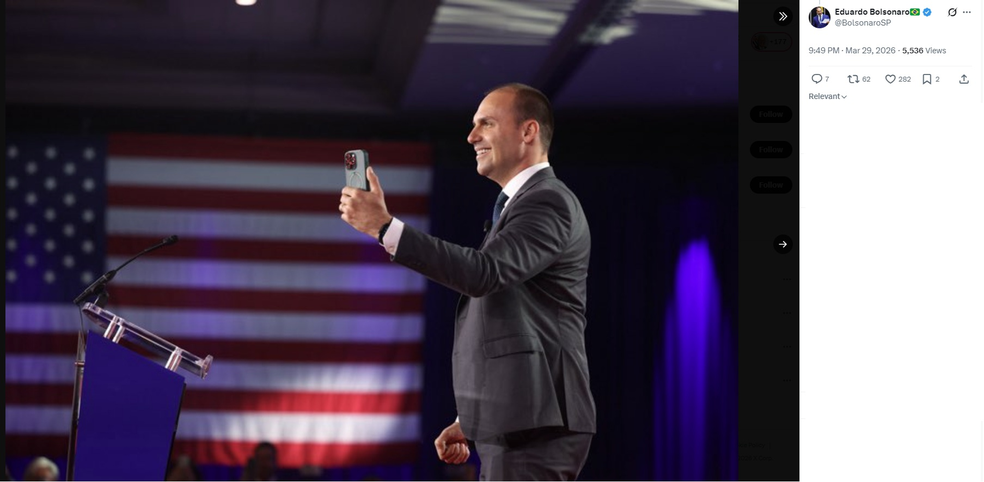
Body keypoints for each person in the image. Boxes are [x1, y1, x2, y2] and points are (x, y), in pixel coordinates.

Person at [340, 83, 596, 480]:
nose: (471, 136)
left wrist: (386, 229)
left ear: (528, 131)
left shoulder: (548, 201)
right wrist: (473, 416)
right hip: (519, 421)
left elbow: (484, 273)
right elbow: (516, 314)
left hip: (538, 425)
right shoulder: (521, 205)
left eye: (486, 123)